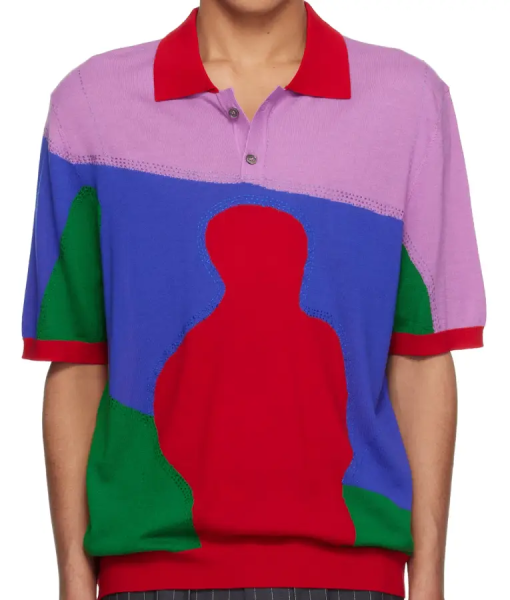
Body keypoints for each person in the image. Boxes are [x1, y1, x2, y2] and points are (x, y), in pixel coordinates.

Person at [21, 1, 486, 599]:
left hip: (352, 574)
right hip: (148, 573)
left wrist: (429, 581)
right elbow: (78, 358)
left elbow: (421, 357)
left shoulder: (410, 103)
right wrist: (72, 579)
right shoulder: (90, 105)